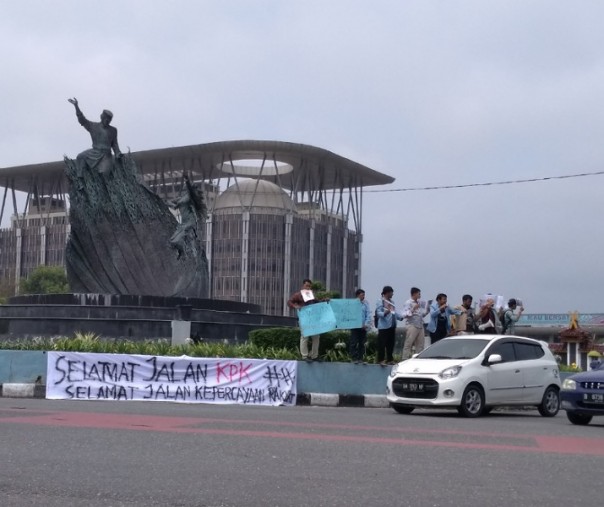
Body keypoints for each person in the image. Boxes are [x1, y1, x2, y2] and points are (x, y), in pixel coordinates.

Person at [68, 97, 122, 179]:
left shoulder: (113, 130)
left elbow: (114, 144)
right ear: (102, 117)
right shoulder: (94, 126)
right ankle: (80, 180)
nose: (107, 120)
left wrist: (118, 153)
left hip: (106, 156)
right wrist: (76, 106)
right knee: (80, 157)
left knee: (103, 174)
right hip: (94, 152)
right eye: (106, 118)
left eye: (109, 119)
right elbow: (82, 120)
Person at [169, 173, 206, 259]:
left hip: (190, 222)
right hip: (184, 222)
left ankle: (185, 253)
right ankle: (183, 253)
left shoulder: (190, 197)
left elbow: (191, 190)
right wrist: (163, 201)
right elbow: (174, 206)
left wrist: (187, 181)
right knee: (172, 242)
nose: (183, 189)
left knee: (176, 240)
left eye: (186, 188)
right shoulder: (182, 198)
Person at [288, 279, 321, 361]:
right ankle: (305, 356)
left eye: (309, 286)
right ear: (303, 286)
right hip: (304, 318)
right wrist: (295, 306)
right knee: (305, 336)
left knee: (316, 337)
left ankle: (314, 356)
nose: (308, 287)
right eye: (307, 285)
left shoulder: (312, 295)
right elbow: (289, 302)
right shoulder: (298, 295)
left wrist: (325, 300)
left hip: (313, 319)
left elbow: (318, 302)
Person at [375, 286, 403, 366]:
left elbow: (394, 312)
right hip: (384, 326)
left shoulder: (392, 302)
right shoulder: (380, 301)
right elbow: (378, 313)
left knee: (390, 344)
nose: (392, 294)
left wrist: (400, 317)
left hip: (392, 325)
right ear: (387, 292)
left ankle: (390, 359)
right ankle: (380, 360)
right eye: (391, 292)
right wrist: (385, 313)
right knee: (382, 344)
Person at [401, 287, 429, 360]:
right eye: (418, 294)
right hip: (412, 325)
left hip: (420, 324)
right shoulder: (408, 302)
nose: (420, 295)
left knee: (420, 344)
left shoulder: (420, 303)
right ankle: (405, 358)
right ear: (414, 294)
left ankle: (419, 359)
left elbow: (421, 314)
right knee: (409, 343)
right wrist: (413, 309)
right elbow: (405, 314)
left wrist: (427, 310)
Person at [349, 289, 371, 363]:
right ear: (358, 295)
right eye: (362, 295)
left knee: (362, 343)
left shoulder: (365, 304)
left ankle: (360, 358)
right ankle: (354, 358)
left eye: (364, 295)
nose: (363, 296)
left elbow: (368, 314)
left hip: (363, 327)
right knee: (354, 342)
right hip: (355, 326)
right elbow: (351, 314)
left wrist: (366, 323)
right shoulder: (352, 303)